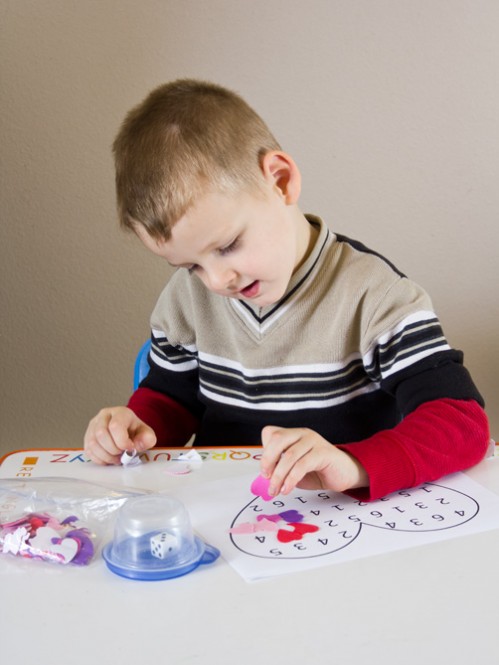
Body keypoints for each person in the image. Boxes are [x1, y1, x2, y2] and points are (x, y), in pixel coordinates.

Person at [84, 79, 490, 501]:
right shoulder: (186, 299)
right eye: (191, 265)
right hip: (225, 513)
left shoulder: (376, 297)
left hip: (345, 514)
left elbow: (462, 423)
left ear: (279, 181)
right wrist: (136, 426)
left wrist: (352, 464)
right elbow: (173, 397)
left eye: (227, 246)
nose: (218, 280)